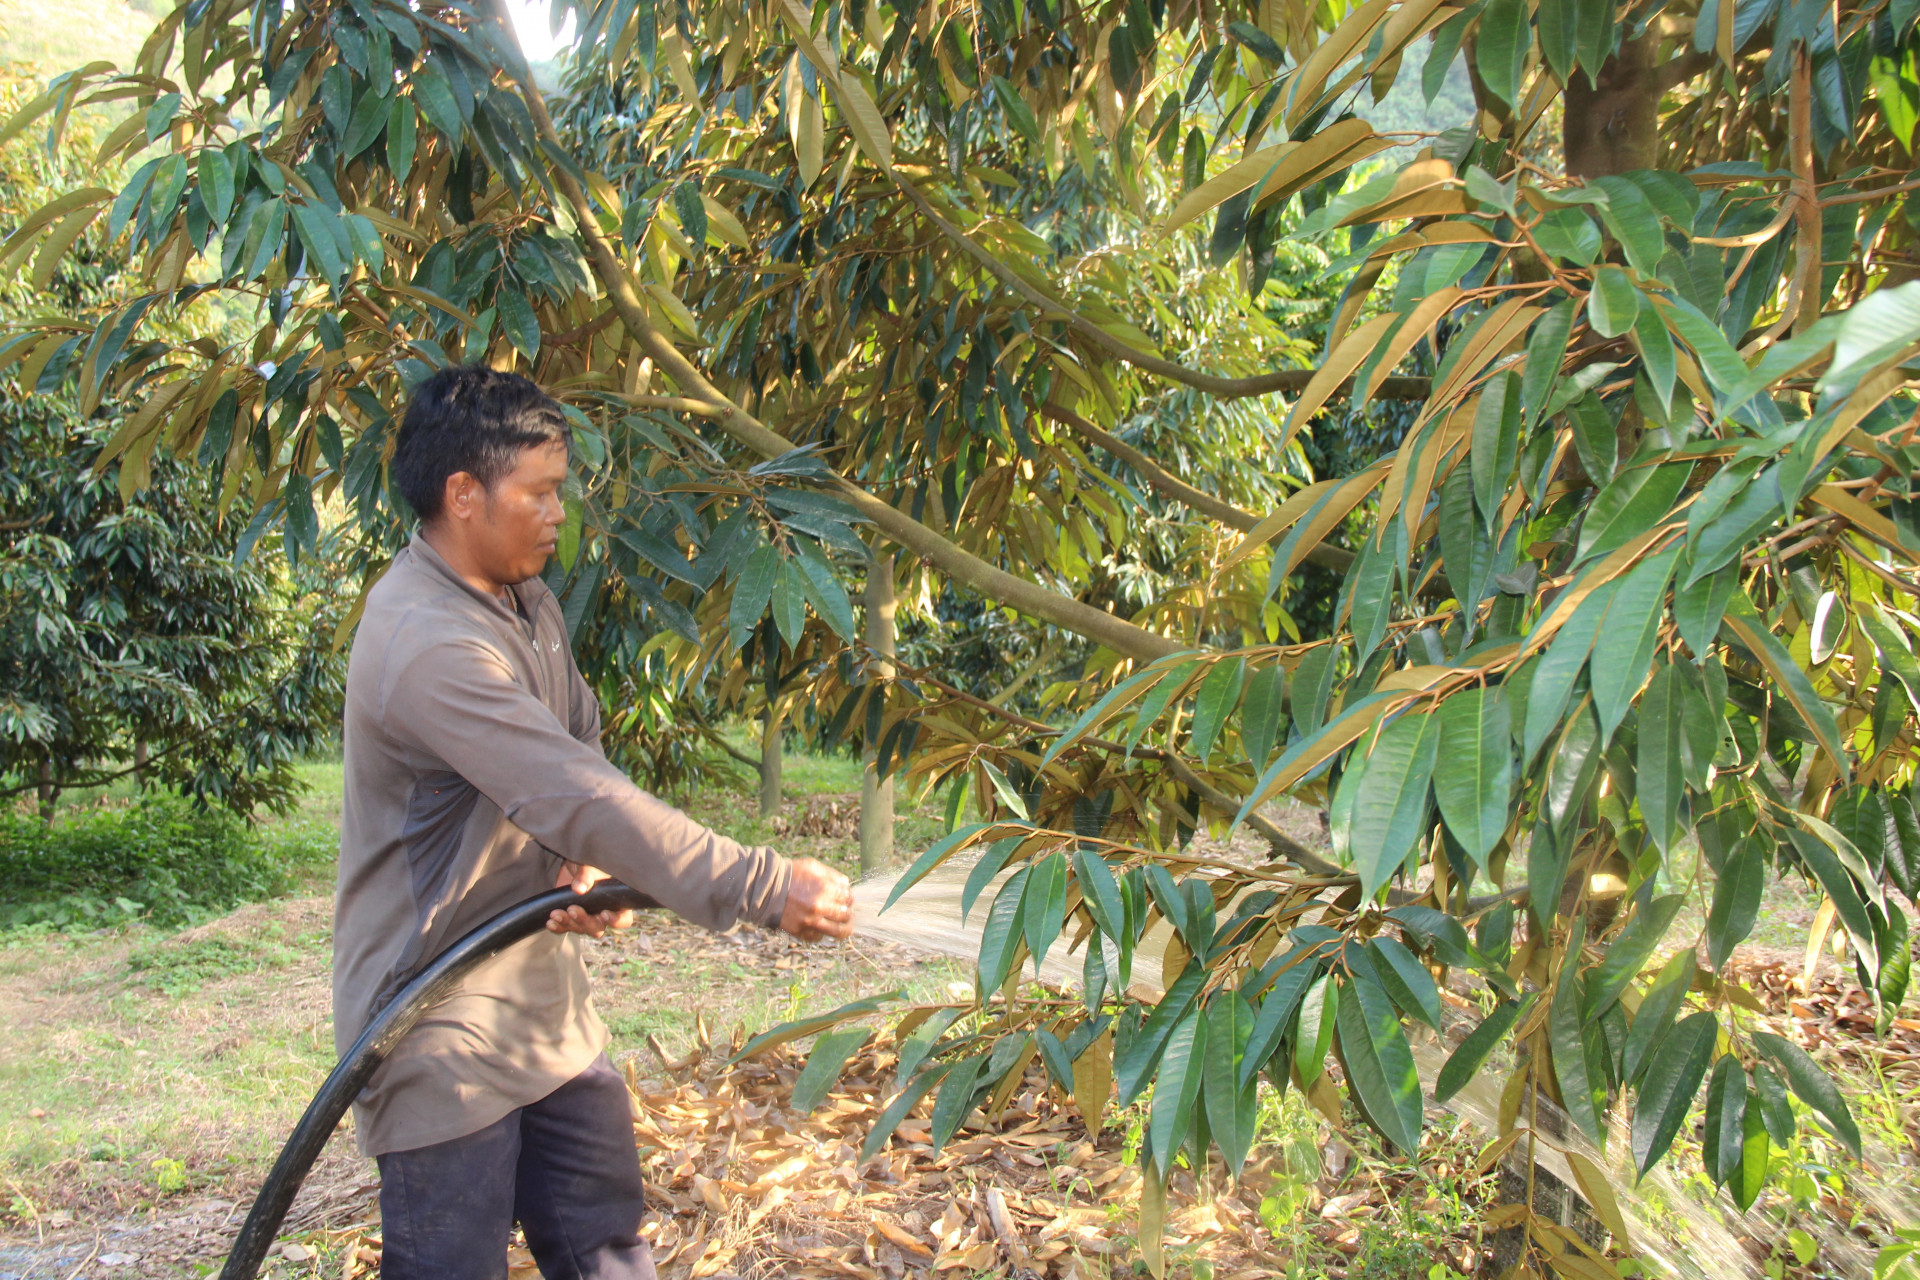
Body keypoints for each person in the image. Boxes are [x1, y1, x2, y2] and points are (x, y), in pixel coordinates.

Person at [332, 365, 855, 1279]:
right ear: (464, 494)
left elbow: (578, 749)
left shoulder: (522, 602)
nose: (556, 513)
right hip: (436, 1018)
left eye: (558, 491)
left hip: (542, 999)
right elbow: (566, 787)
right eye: (538, 493)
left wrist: (582, 873)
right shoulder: (427, 641)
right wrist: (763, 886)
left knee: (607, 1247)